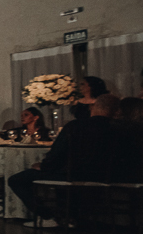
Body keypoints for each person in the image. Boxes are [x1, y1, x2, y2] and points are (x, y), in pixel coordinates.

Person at [9, 94, 134, 227]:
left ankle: (48, 216)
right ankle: (69, 217)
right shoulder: (121, 129)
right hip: (105, 176)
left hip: (71, 174)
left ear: (93, 107)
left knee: (16, 180)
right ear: (116, 111)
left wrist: (45, 166)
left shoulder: (75, 126)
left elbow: (57, 153)